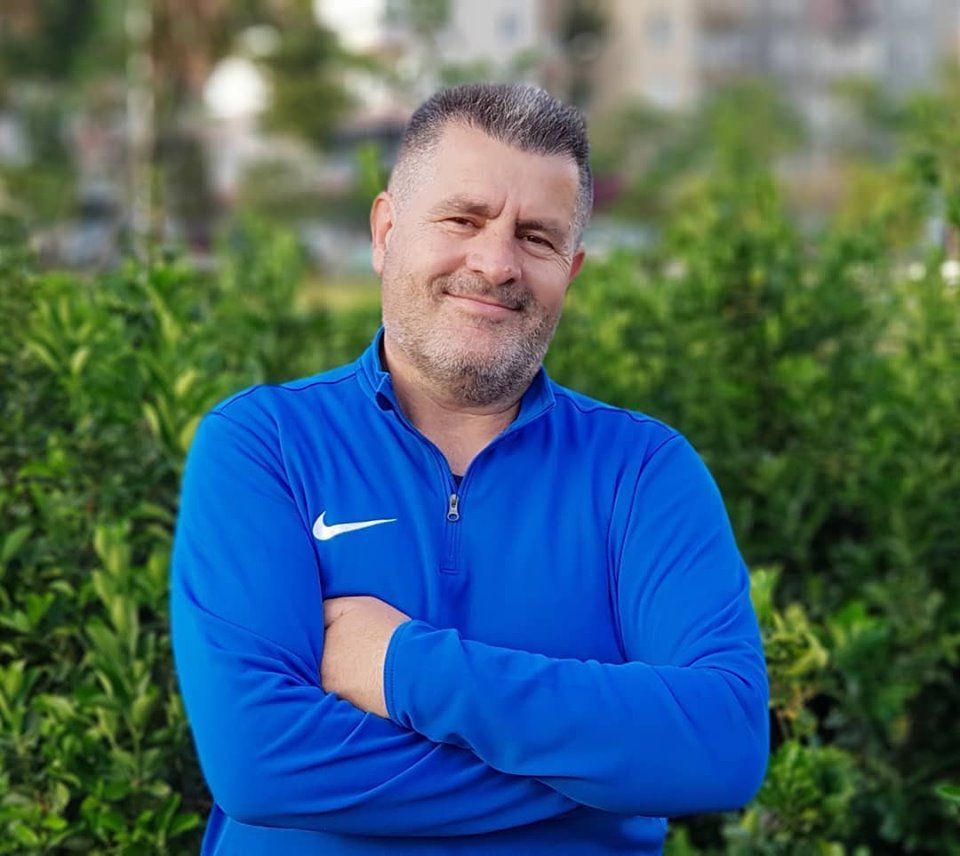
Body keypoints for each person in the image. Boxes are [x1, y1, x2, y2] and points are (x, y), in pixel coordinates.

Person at [170, 83, 769, 855]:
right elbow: (260, 765)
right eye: (463, 219)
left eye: (537, 237)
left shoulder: (644, 473)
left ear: (571, 270)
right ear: (386, 231)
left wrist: (399, 663)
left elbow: (723, 744)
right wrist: (599, 779)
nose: (495, 262)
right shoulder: (264, 446)